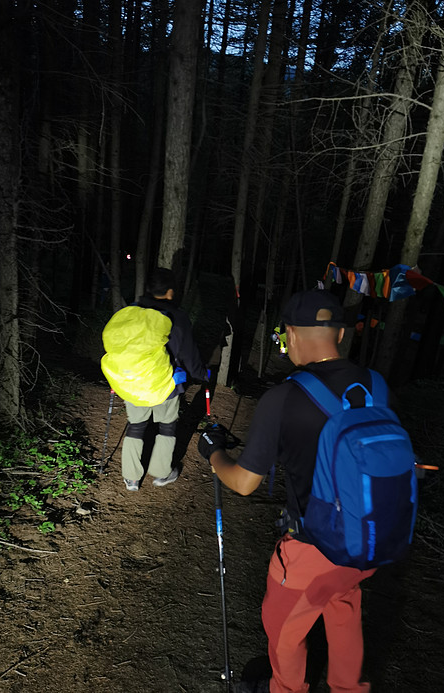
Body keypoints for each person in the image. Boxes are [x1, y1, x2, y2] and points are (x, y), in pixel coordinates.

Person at [198, 289, 376, 693]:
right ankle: (349, 688)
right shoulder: (377, 386)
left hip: (313, 550)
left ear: (292, 334)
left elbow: (244, 482)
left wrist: (213, 454)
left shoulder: (285, 396)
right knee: (344, 608)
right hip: (367, 541)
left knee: (284, 629)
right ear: (341, 335)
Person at [107, 267, 209, 491]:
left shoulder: (132, 311)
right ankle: (161, 473)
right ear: (170, 292)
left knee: (135, 426)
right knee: (167, 426)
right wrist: (202, 374)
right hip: (165, 384)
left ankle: (132, 478)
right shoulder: (177, 317)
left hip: (131, 380)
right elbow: (189, 355)